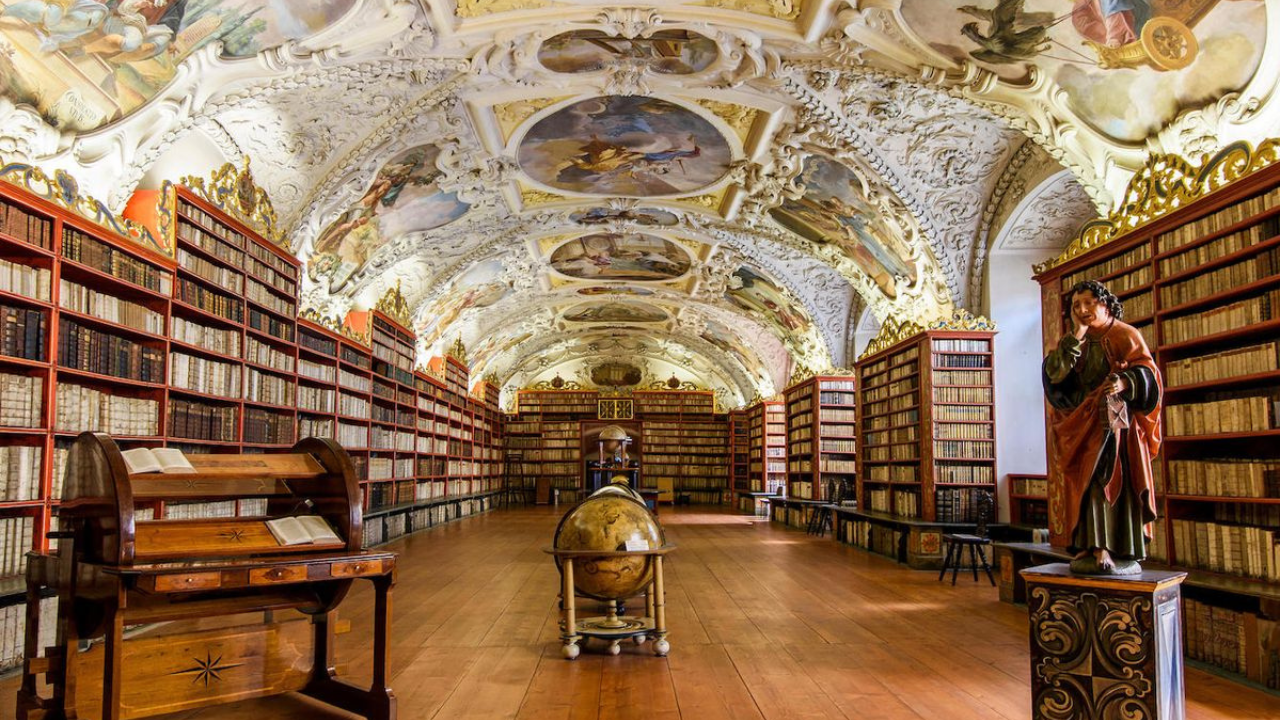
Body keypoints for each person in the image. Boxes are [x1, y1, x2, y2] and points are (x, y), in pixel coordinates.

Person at [1042, 280, 1162, 575]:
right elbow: (1055, 375)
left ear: (1105, 304)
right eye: (1076, 306)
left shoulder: (1126, 334)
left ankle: (1107, 548)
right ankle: (1087, 544)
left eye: (1088, 303)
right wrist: (1077, 335)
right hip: (1083, 424)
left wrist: (1125, 382)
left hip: (1117, 428)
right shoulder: (1073, 341)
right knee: (1083, 486)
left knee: (1106, 482)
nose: (1082, 310)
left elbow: (1149, 374)